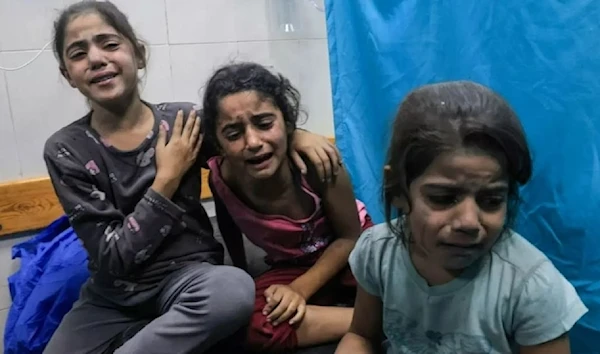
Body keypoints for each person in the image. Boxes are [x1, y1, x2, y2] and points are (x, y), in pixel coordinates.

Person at [42, 2, 342, 354]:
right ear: (67, 74)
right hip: (115, 295)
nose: (96, 58)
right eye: (79, 53)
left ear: (138, 54)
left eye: (109, 44)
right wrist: (166, 180)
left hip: (191, 278)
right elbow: (114, 257)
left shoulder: (183, 121)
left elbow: (248, 139)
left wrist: (297, 135)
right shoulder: (65, 150)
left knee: (233, 291)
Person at [335, 81, 588, 354]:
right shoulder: (378, 251)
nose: (468, 222)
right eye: (443, 198)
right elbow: (361, 336)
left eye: (491, 201)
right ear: (397, 188)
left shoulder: (532, 287)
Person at [200, 62, 373, 353]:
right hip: (293, 265)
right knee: (243, 320)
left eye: (265, 124)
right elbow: (229, 223)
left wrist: (299, 290)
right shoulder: (222, 178)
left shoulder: (318, 166)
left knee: (400, 283)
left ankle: (376, 314)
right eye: (233, 133)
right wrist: (243, 275)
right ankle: (368, 318)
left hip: (350, 253)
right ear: (218, 143)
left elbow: (350, 238)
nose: (253, 142)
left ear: (288, 123)